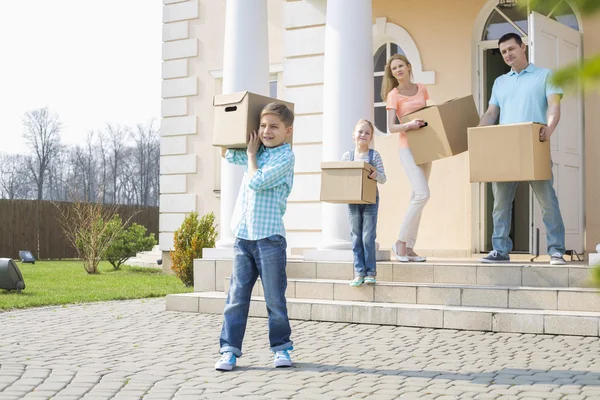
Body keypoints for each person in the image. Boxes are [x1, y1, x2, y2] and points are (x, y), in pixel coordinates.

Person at [215, 102, 296, 371]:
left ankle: (281, 349)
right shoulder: (257, 148)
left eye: (274, 126)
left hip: (270, 238)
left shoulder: (285, 157)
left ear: (287, 131)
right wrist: (233, 123)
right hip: (243, 236)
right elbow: (226, 152)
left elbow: (257, 180)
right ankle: (229, 350)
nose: (266, 131)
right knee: (236, 297)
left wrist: (251, 156)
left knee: (274, 299)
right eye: (263, 126)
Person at [478, 32, 566, 265]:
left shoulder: (546, 75)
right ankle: (500, 250)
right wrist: (477, 134)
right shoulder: (500, 82)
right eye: (504, 51)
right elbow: (491, 113)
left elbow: (554, 107)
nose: (507, 54)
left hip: (534, 146)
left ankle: (556, 250)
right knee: (500, 203)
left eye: (511, 49)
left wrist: (549, 128)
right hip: (505, 148)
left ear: (523, 47)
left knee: (547, 201)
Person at [383, 54, 430, 263]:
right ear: (392, 73)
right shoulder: (393, 95)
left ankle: (410, 247)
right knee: (422, 194)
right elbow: (391, 127)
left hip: (426, 147)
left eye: (401, 66)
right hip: (407, 148)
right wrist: (409, 125)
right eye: (394, 69)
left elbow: (429, 114)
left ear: (409, 67)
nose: (398, 70)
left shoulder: (421, 88)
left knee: (417, 198)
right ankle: (400, 243)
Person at [342, 119, 387, 287]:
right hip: (353, 200)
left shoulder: (374, 156)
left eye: (367, 133)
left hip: (370, 200)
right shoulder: (347, 156)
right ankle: (358, 272)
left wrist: (375, 174)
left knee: (368, 236)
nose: (363, 135)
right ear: (353, 135)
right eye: (360, 131)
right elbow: (344, 178)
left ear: (371, 137)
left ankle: (370, 273)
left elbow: (383, 178)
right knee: (355, 237)